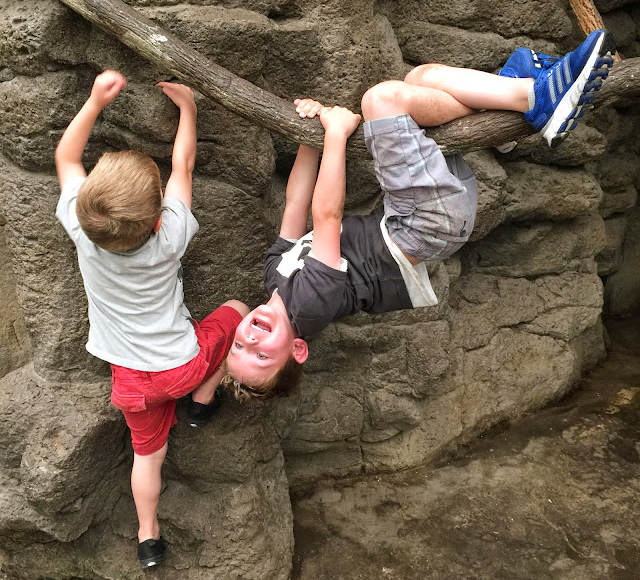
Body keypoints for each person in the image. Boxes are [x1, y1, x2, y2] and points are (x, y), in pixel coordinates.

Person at [223, 29, 616, 401]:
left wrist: (309, 137)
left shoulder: (274, 277)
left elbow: (295, 204)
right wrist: (336, 135)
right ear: (298, 350)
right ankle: (536, 98)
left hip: (425, 214)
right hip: (425, 223)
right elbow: (326, 215)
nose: (251, 340)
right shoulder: (309, 307)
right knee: (381, 101)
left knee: (419, 79)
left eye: (238, 346)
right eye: (262, 356)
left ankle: (511, 98)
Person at [54, 70, 249, 569]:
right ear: (159, 217)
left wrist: (94, 101)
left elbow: (67, 158)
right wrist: (189, 108)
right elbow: (183, 165)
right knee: (239, 313)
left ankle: (147, 536)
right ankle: (202, 400)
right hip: (182, 367)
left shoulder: (82, 231)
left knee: (148, 456)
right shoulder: (170, 237)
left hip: (132, 386)